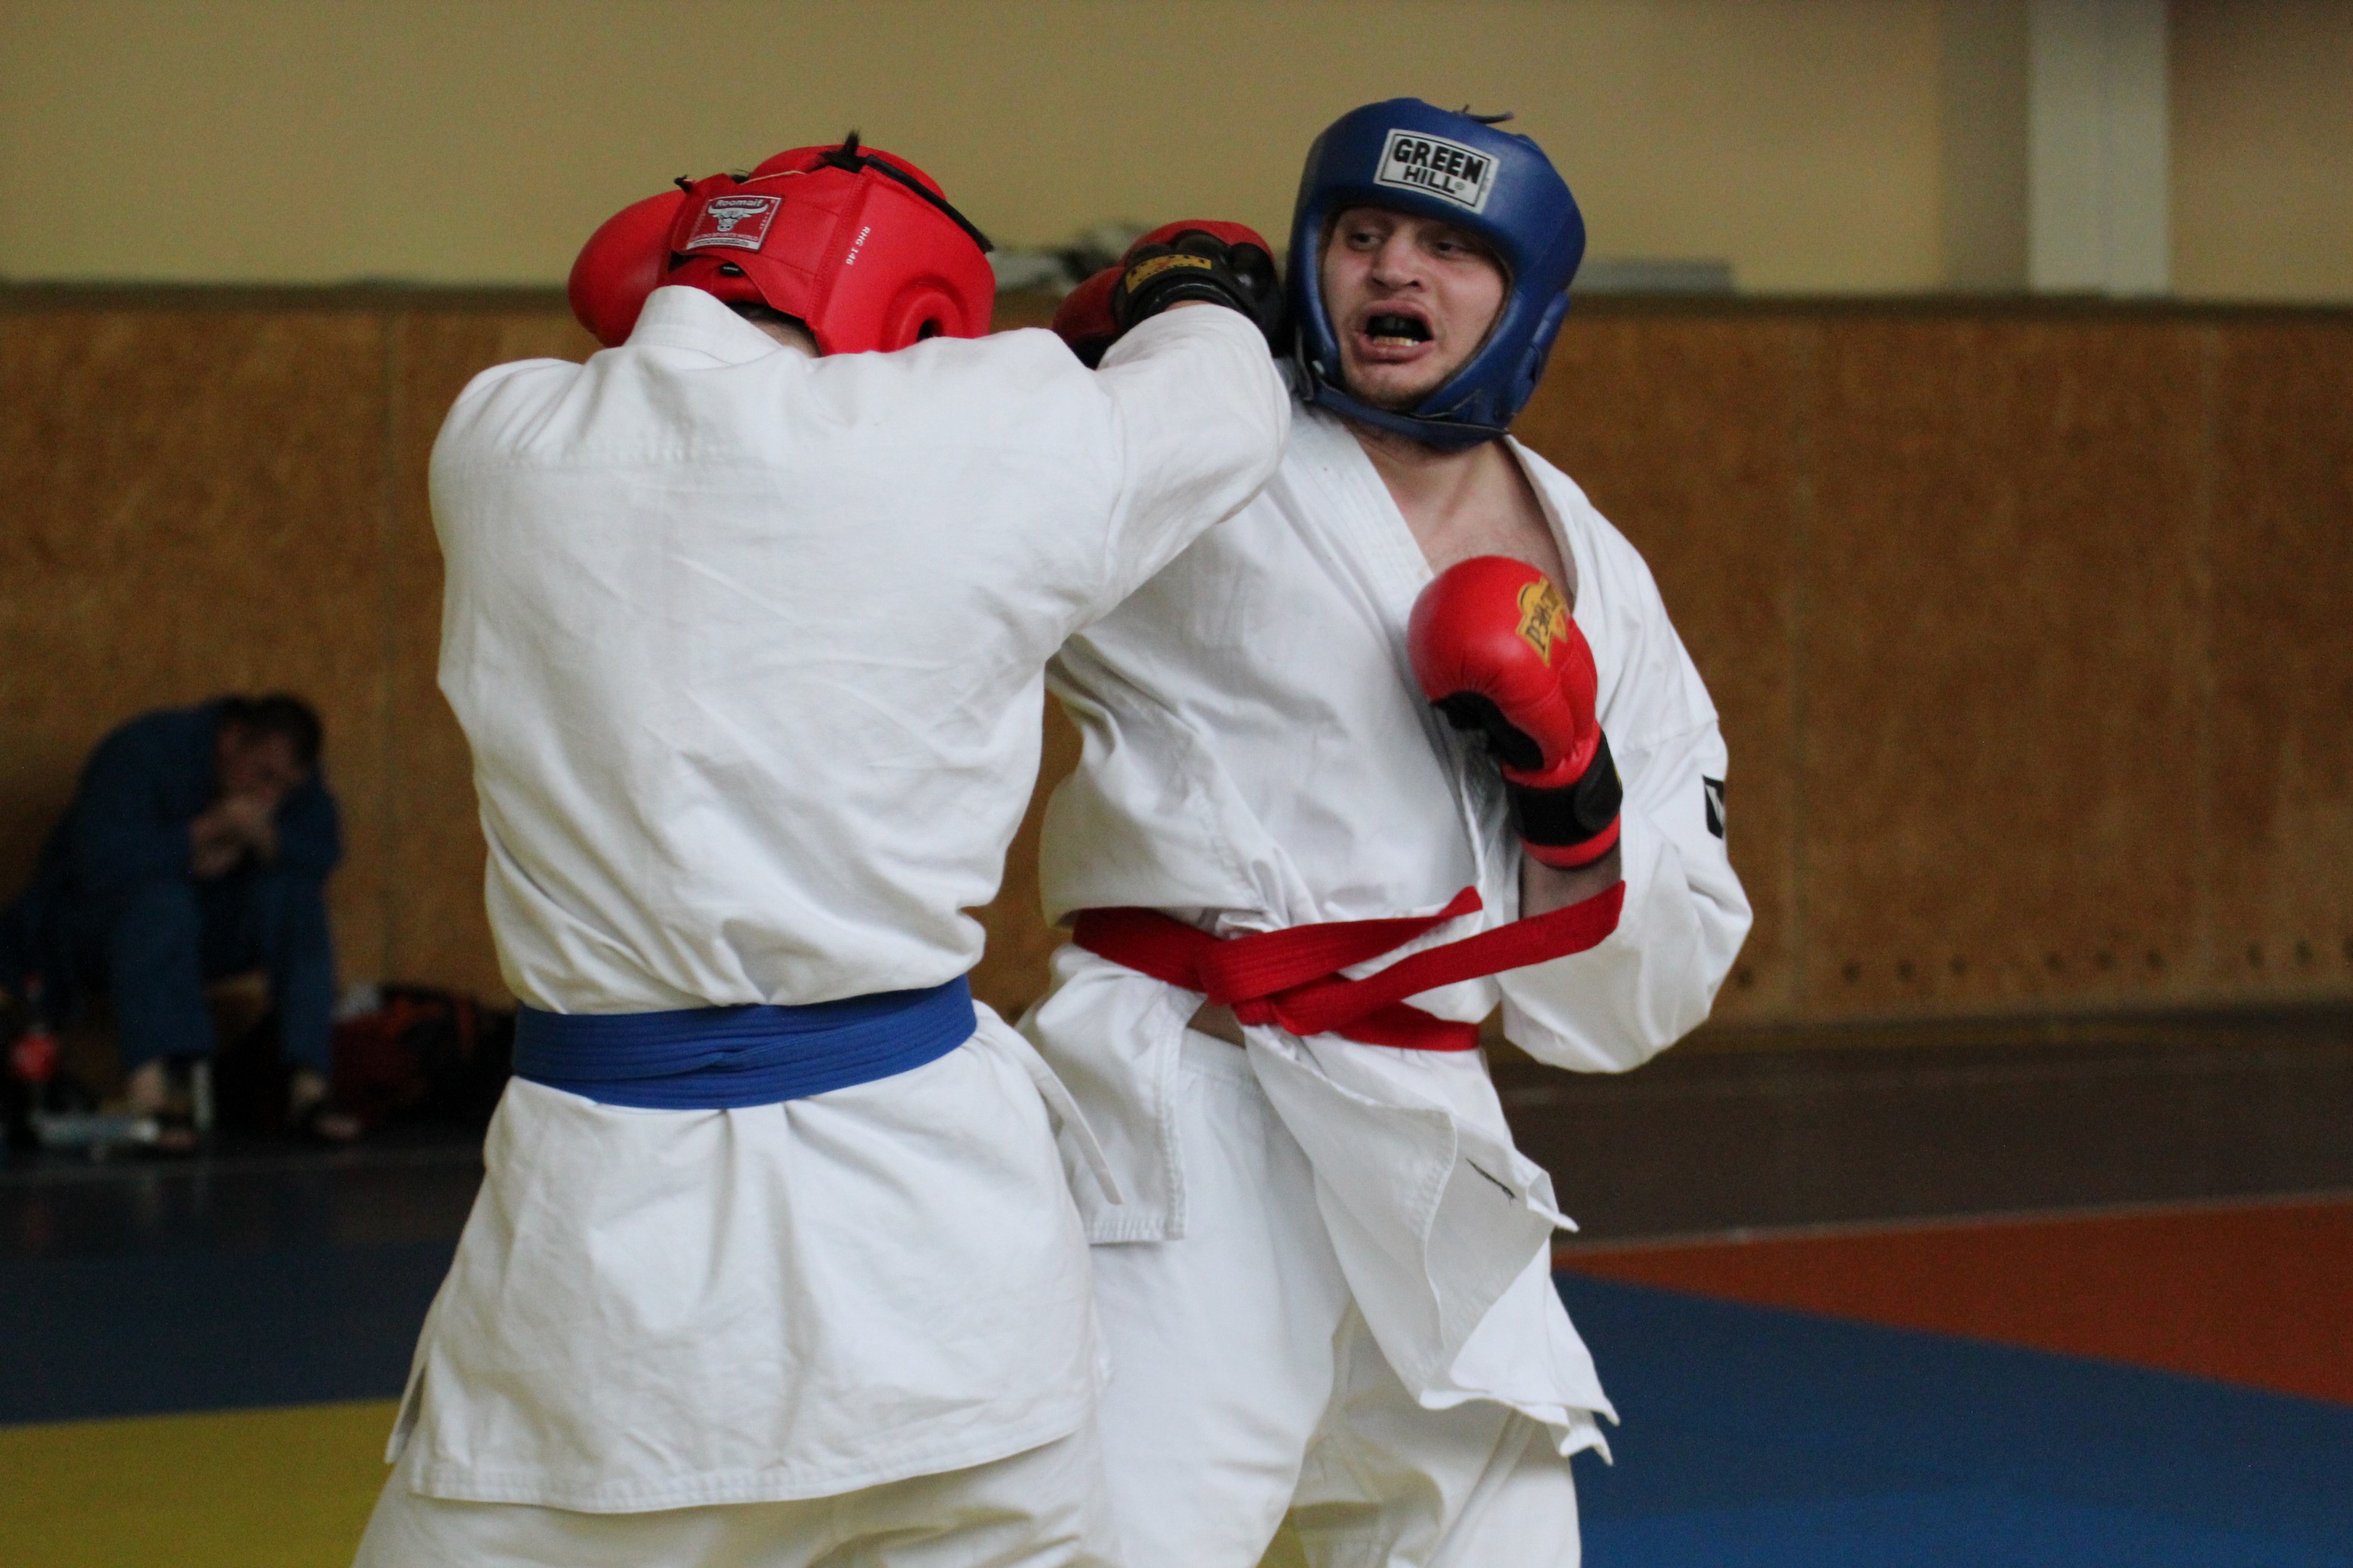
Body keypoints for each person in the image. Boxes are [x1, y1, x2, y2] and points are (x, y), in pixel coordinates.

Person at [352, 137, 1288, 1568]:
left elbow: (676, 388)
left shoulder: (495, 440)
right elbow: (1221, 404)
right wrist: (1188, 290)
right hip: (947, 1278)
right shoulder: (988, 434)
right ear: (917, 317)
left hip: (605, 1280)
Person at [1026, 101, 1752, 1567]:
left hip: (1426, 1133)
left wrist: (1571, 792)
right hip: (1191, 1111)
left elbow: (1646, 988)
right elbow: (956, 509)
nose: (1393, 270)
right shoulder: (1211, 444)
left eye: (1447, 248)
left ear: (1525, 301)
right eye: (1361, 234)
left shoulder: (1596, 573)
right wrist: (1099, 341)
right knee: (1122, 1541)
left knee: (1501, 1544)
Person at [0, 694, 353, 1145]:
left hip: (194, 929)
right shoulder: (144, 750)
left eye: (284, 789)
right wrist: (203, 834)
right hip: (84, 926)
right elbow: (102, 865)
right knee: (160, 902)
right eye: (263, 776)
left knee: (296, 898)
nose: (268, 796)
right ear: (231, 739)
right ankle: (150, 1096)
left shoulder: (284, 778)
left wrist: (263, 838)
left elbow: (323, 852)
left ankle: (310, 1091)